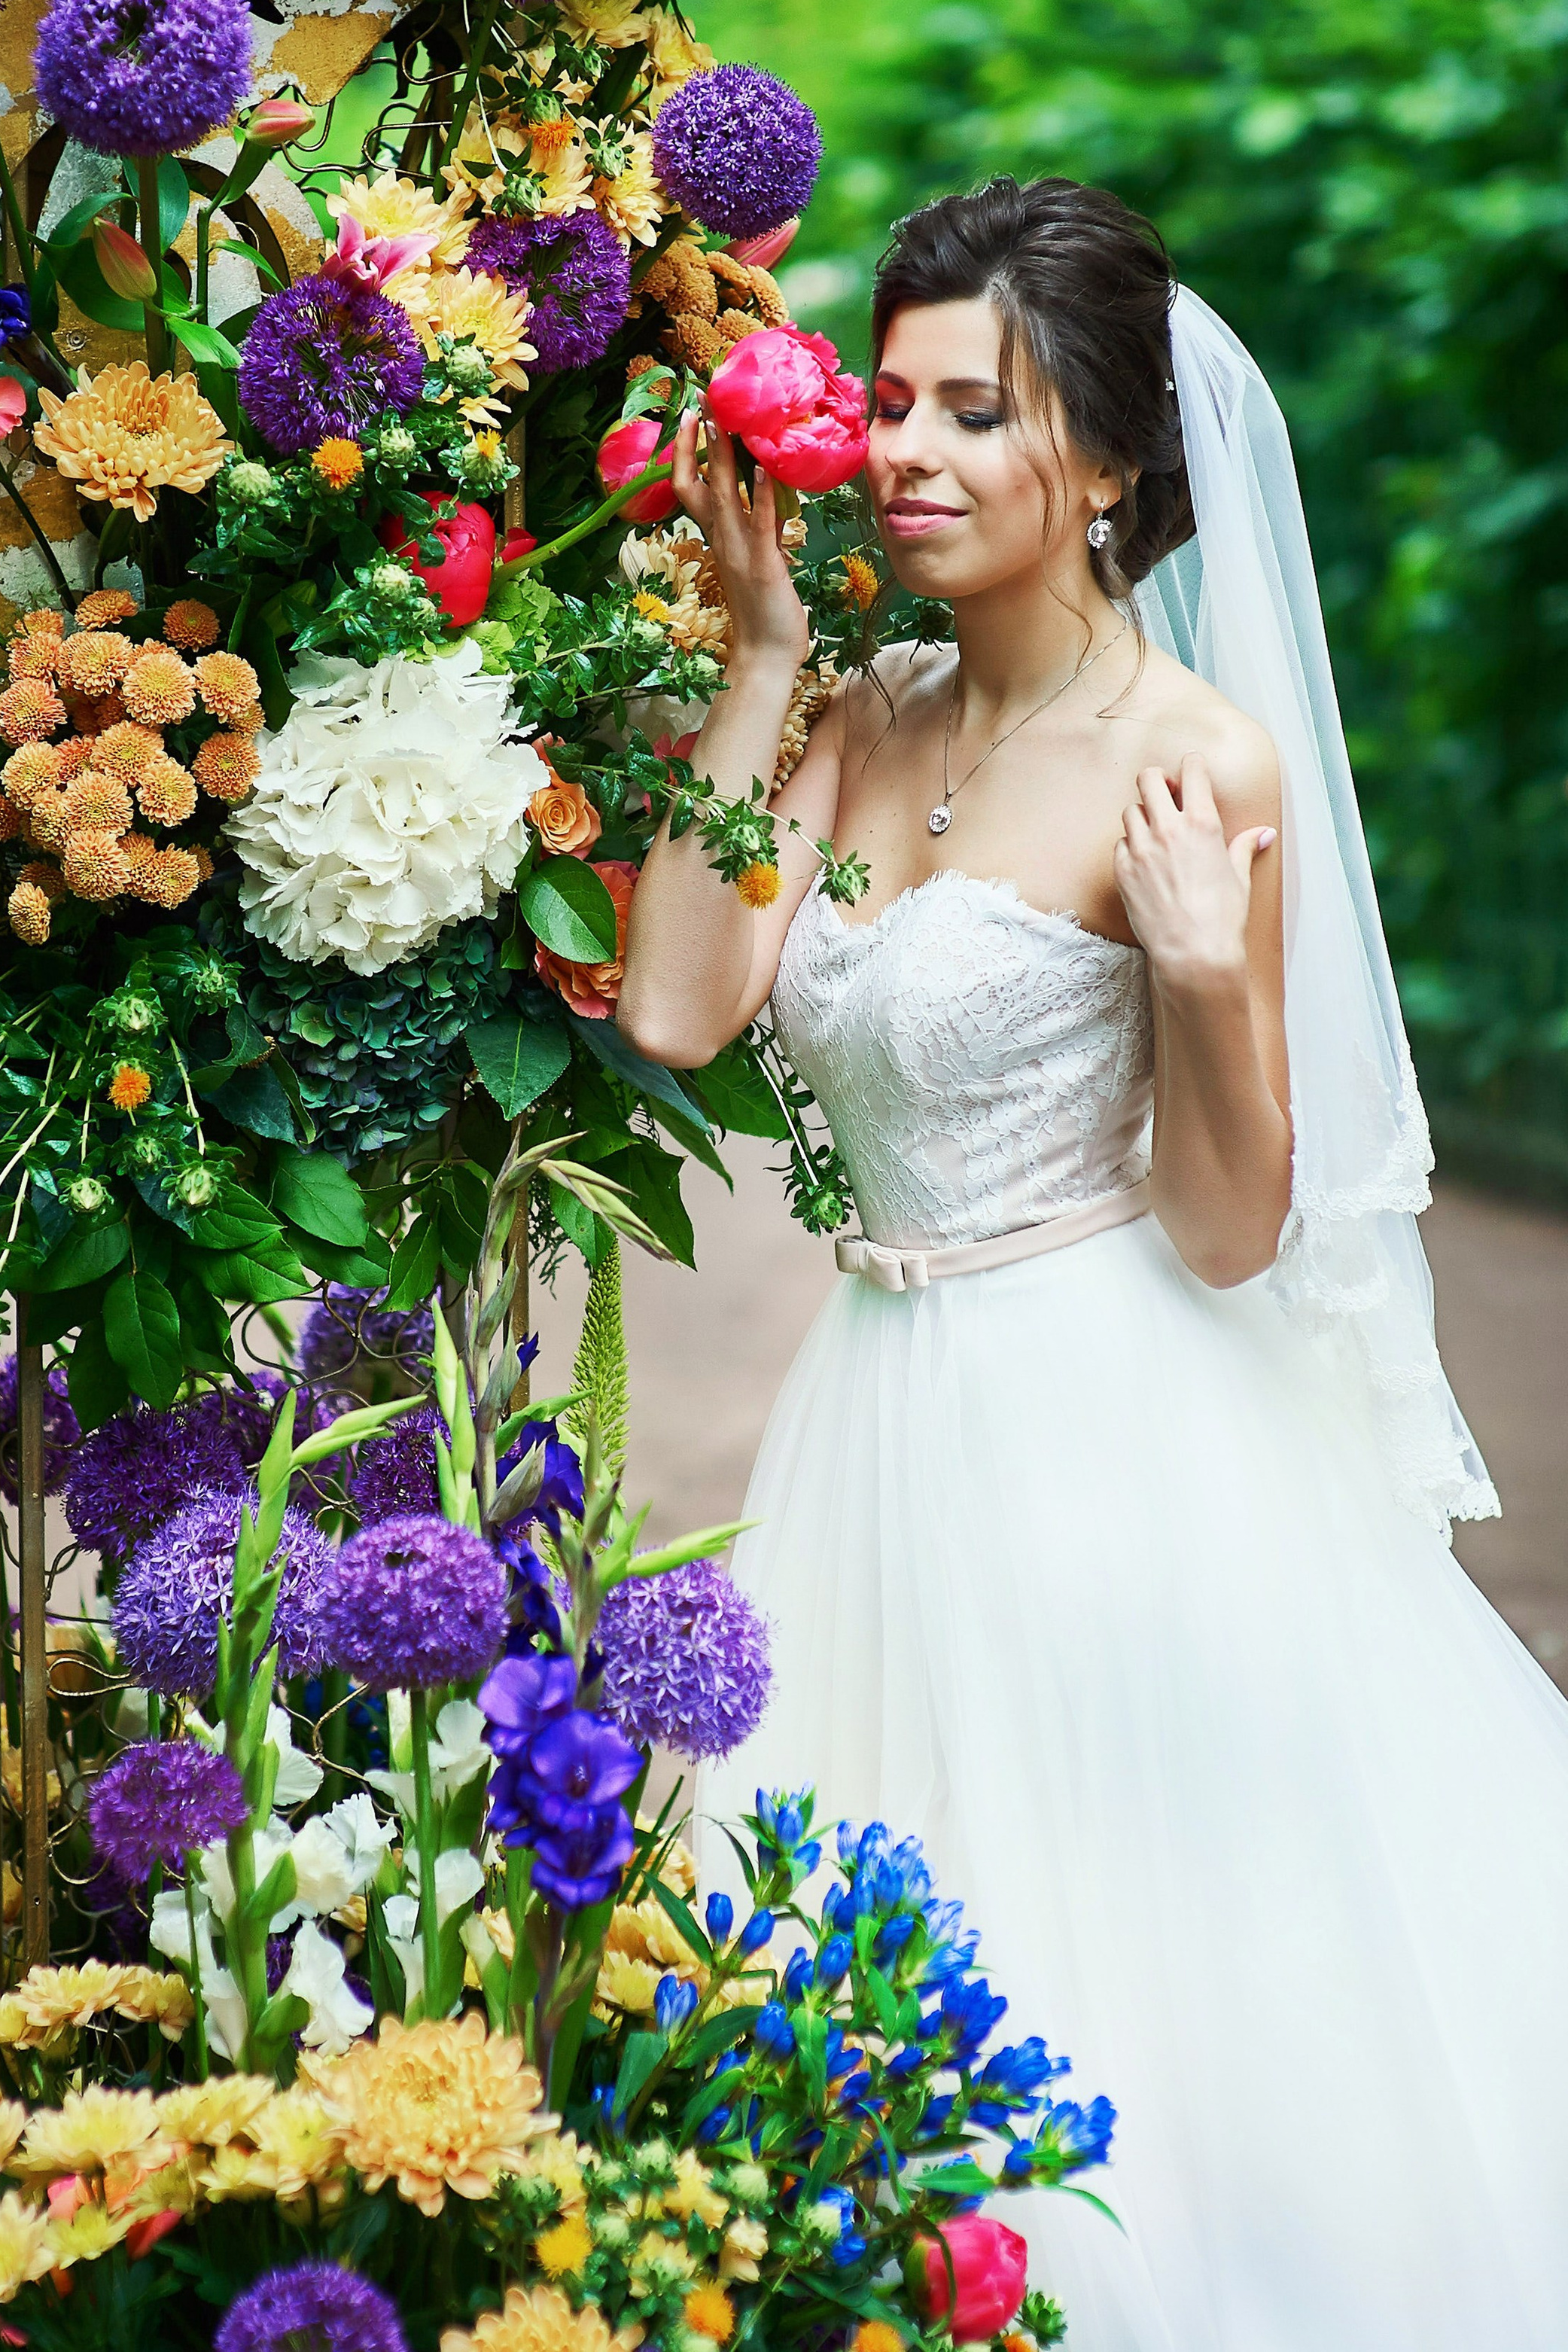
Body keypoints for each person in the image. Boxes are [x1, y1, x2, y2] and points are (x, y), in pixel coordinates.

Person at [617, 177, 1568, 2348]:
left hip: (1107, 1432)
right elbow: (676, 1003)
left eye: (981, 411)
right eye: (893, 402)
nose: (910, 453)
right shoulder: (860, 712)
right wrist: (757, 662)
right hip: (875, 1404)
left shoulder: (1194, 759)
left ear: (1117, 462)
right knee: (863, 1929)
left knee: (1126, 1949)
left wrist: (1214, 981)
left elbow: (1233, 1230)